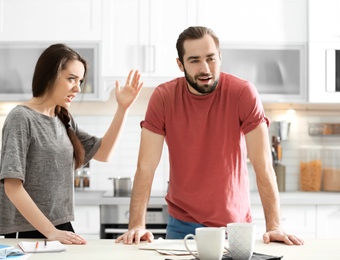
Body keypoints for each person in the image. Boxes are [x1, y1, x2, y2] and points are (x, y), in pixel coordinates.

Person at [116, 26, 304, 246]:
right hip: (181, 225)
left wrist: (274, 226)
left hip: (234, 227)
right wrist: (137, 225)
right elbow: (145, 167)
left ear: (220, 57)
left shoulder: (243, 93)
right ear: (180, 64)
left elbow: (263, 166)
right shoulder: (163, 97)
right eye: (194, 60)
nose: (205, 68)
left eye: (211, 59)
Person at [0, 43, 143, 245]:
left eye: (80, 80)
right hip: (29, 232)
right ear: (50, 75)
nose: (78, 88)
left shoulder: (63, 118)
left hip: (60, 227)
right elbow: (12, 186)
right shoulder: (21, 118)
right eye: (71, 79)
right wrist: (51, 232)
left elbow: (103, 153)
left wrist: (122, 109)